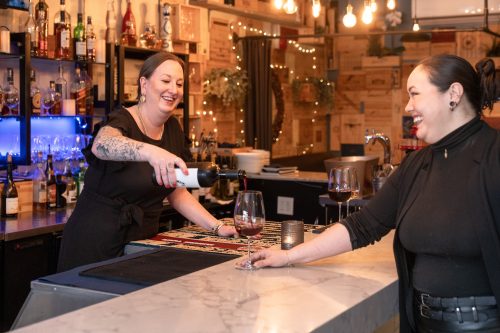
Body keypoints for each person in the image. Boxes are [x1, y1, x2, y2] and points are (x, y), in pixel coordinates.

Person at [246, 55, 500, 333]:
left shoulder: (493, 156)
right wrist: (290, 255)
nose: (408, 106)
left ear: (453, 94)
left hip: (483, 325)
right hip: (421, 322)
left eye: (415, 94)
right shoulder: (417, 165)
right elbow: (363, 225)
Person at [58, 52, 237, 272]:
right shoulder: (123, 119)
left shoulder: (173, 129)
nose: (173, 89)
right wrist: (151, 152)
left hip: (140, 242)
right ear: (144, 84)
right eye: (165, 80)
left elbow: (177, 193)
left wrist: (217, 227)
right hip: (94, 240)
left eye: (179, 84)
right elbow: (102, 145)